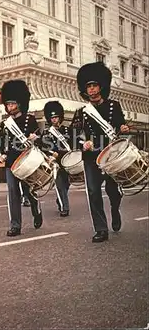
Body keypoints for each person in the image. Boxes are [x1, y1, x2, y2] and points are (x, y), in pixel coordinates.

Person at [71, 62, 129, 243]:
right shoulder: (81, 112)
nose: (92, 90)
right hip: (92, 157)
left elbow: (120, 125)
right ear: (84, 89)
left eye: (94, 85)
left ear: (101, 86)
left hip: (111, 155)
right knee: (93, 191)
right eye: (88, 86)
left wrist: (123, 127)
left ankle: (115, 209)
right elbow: (73, 136)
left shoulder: (114, 106)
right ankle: (101, 229)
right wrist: (83, 143)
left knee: (113, 190)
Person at [0, 80, 43, 236]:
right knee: (13, 192)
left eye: (12, 104)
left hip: (27, 160)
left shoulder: (30, 119)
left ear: (20, 104)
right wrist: (0, 154)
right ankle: (15, 225)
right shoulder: (4, 124)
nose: (10, 107)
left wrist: (36, 137)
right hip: (11, 162)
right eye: (8, 104)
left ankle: (36, 209)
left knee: (29, 190)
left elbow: (41, 139)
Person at [42, 101, 72, 217]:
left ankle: (60, 199)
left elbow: (72, 143)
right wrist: (51, 153)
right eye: (52, 117)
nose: (54, 119)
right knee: (60, 185)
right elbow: (44, 147)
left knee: (66, 184)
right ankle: (65, 207)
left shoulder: (66, 130)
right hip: (56, 162)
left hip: (66, 160)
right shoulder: (47, 133)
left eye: (56, 117)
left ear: (60, 117)